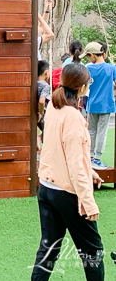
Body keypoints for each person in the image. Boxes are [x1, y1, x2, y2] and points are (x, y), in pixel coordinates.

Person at [31, 63, 105, 281]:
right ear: (82, 87)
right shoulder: (72, 116)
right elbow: (74, 164)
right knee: (93, 252)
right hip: (67, 193)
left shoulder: (54, 107)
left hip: (46, 188)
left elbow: (57, 148)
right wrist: (88, 203)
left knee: (49, 247)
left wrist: (88, 169)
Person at [81, 42, 116, 171]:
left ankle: (90, 156)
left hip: (92, 104)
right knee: (102, 132)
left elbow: (84, 87)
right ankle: (97, 158)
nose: (88, 59)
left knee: (91, 131)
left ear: (93, 55)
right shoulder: (111, 68)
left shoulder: (88, 69)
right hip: (106, 105)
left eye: (88, 56)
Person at [37, 60, 52, 132]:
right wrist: (40, 113)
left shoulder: (33, 83)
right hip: (42, 114)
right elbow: (42, 101)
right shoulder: (45, 86)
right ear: (46, 72)